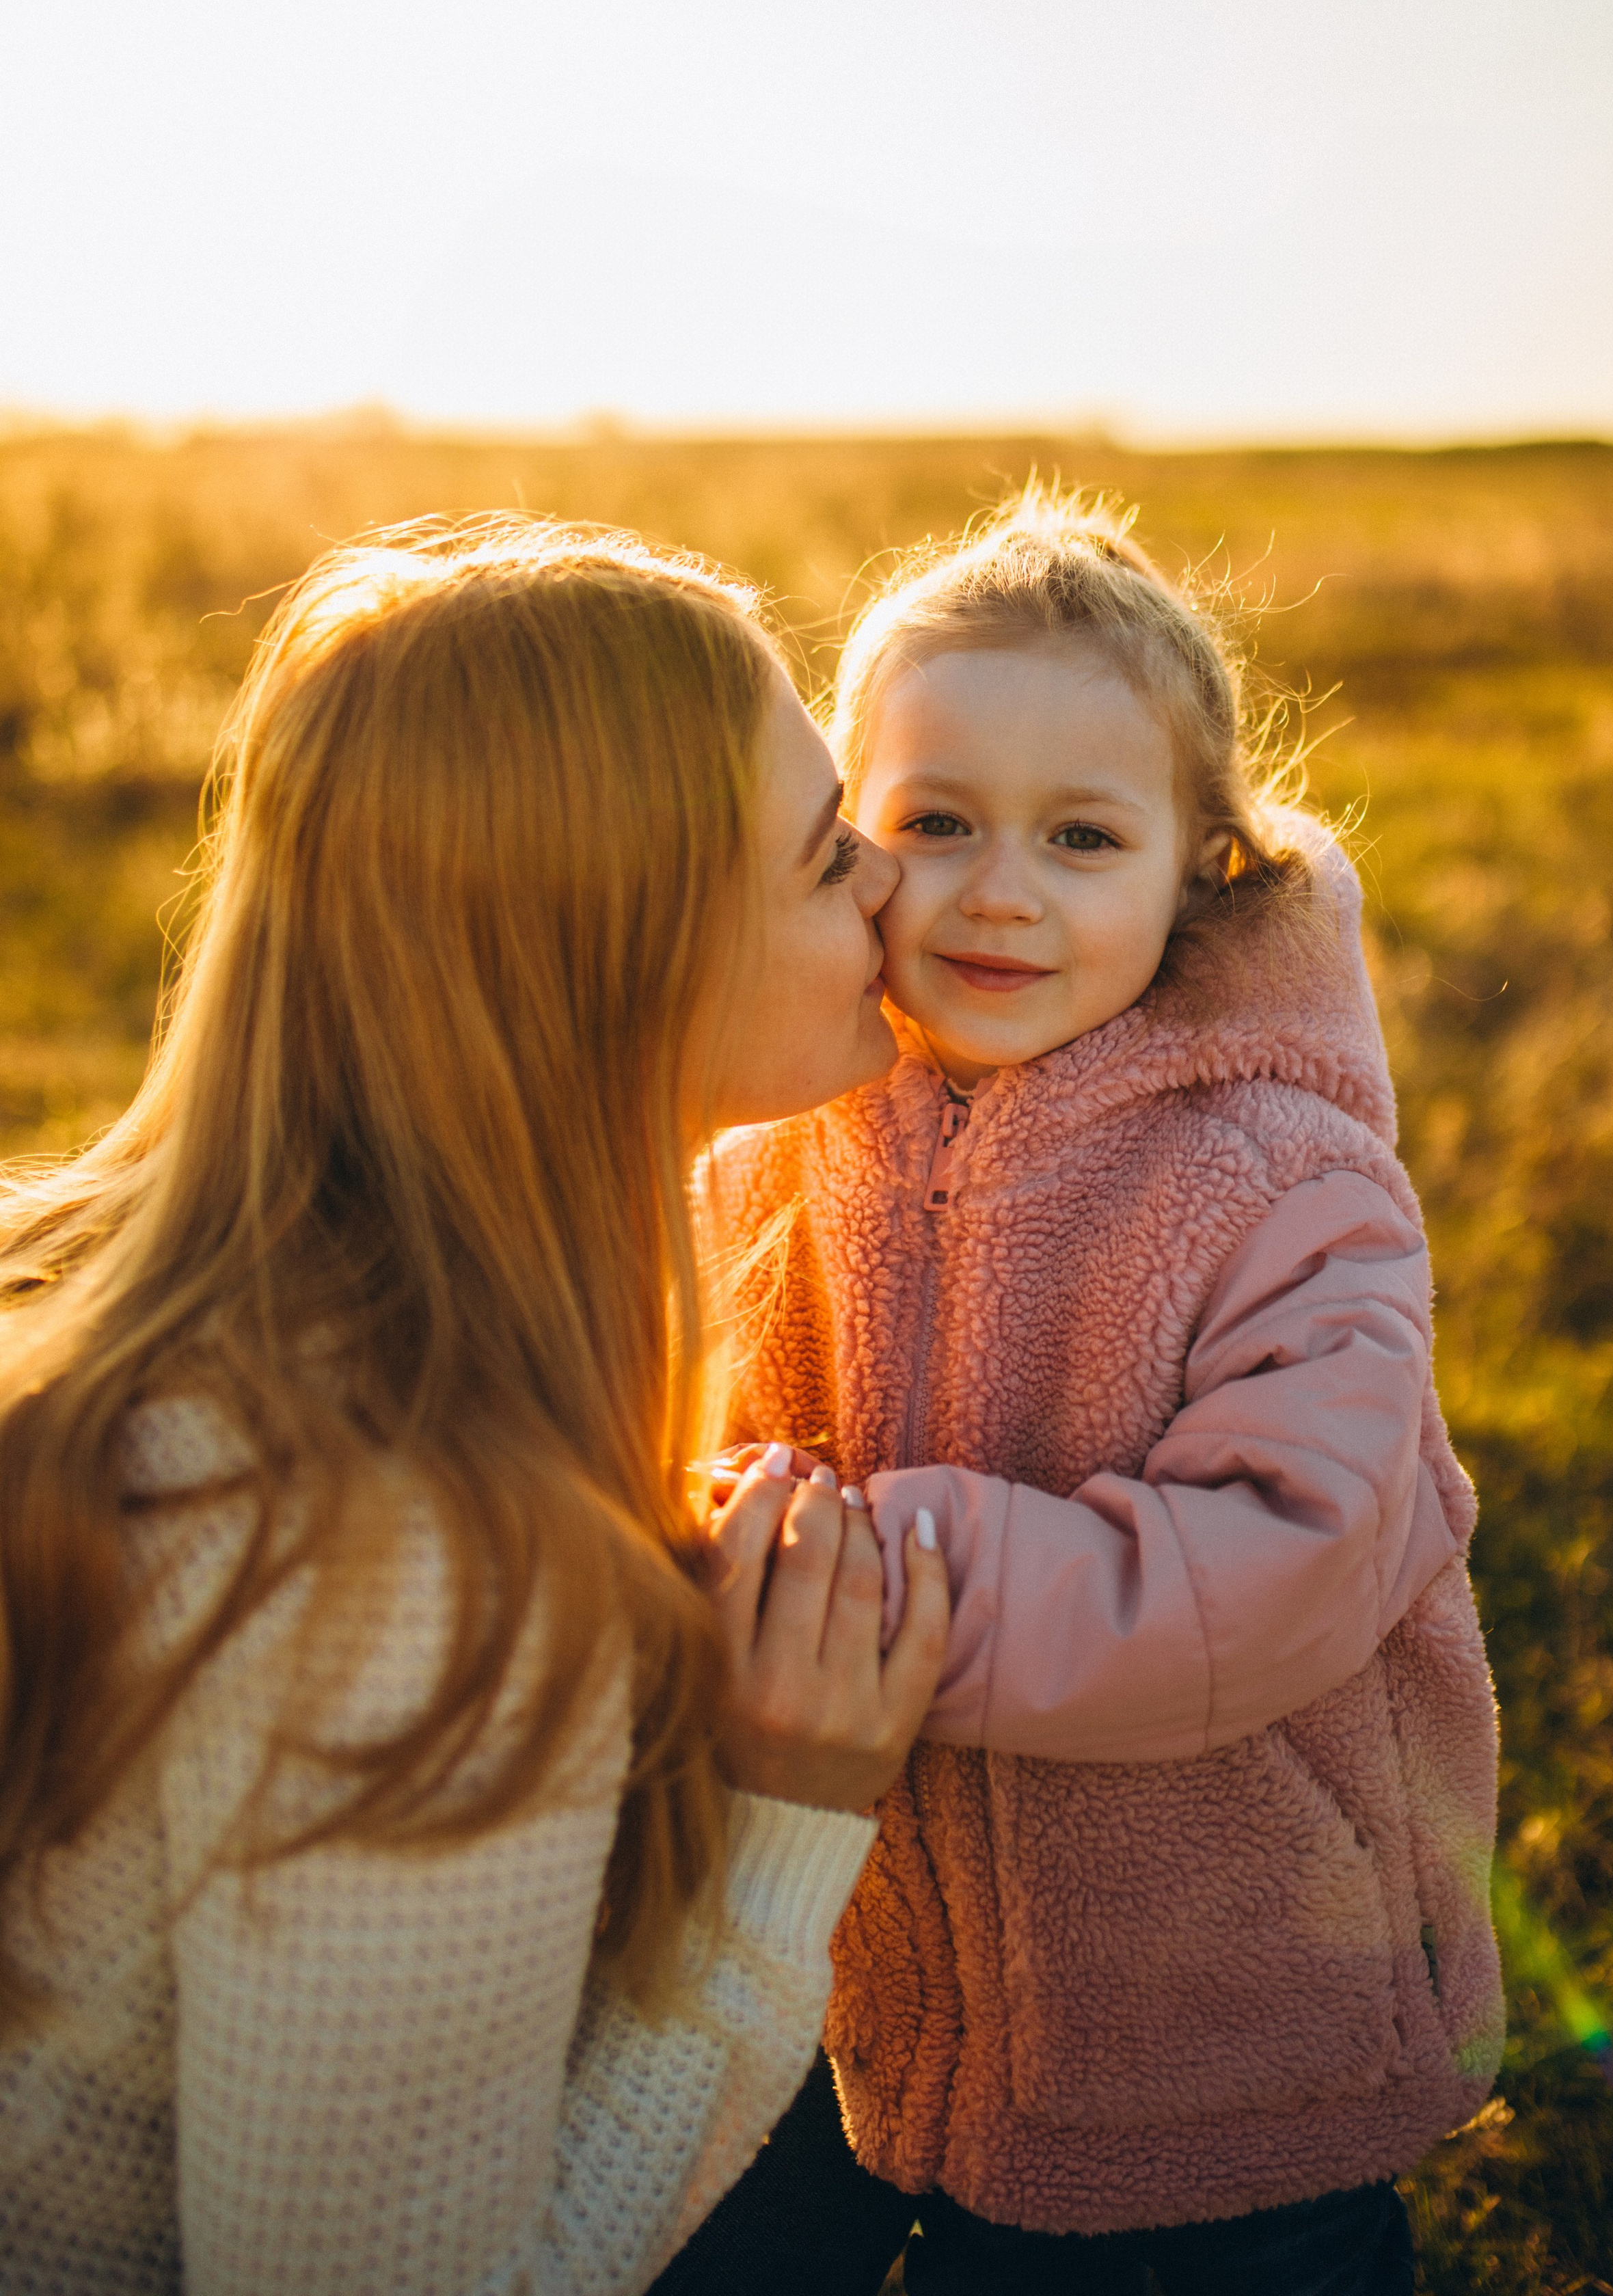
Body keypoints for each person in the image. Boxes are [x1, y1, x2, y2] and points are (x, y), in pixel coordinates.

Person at [0, 517, 949, 2295]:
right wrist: (786, 1828)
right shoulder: (397, 1554)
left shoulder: (74, 1280)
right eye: (829, 859)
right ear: (625, 963)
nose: (896, 889)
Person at [676, 485, 1504, 2295]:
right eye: (940, 823)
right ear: (851, 836)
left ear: (1201, 865)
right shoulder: (782, 1143)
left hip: (1223, 2051)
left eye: (1080, 839)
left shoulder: (1287, 1178)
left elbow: (1282, 1557)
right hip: (872, 1999)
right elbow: (702, 1438)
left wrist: (869, 1578)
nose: (999, 890)